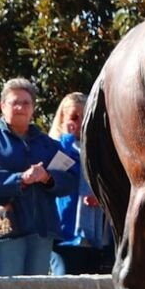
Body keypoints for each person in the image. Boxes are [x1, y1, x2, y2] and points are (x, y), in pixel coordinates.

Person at [0, 79, 78, 275]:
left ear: (33, 108)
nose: (20, 107)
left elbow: (71, 179)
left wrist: (48, 178)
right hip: (7, 229)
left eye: (26, 103)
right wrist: (20, 179)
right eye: (14, 102)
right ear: (2, 106)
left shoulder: (47, 144)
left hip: (42, 229)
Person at [48, 92, 113, 275]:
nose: (79, 123)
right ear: (63, 119)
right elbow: (55, 174)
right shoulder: (53, 145)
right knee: (64, 285)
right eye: (74, 117)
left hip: (93, 233)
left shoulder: (98, 151)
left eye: (85, 117)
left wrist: (101, 200)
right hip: (64, 231)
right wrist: (68, 138)